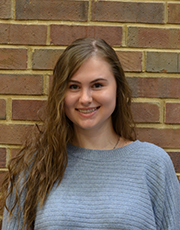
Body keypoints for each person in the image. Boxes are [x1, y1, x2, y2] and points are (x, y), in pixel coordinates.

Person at [2, 38, 180, 230]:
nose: (85, 98)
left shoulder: (154, 164)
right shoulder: (35, 166)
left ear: (117, 89)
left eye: (97, 85)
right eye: (73, 87)